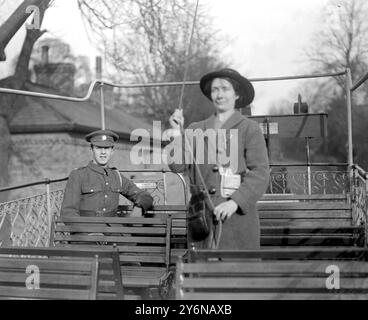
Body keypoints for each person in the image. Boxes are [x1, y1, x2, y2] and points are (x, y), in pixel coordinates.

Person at [167, 68, 270, 249]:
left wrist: (235, 202)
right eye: (215, 90)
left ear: (237, 94)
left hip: (238, 223)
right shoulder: (194, 129)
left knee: (235, 275)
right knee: (202, 275)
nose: (219, 94)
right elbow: (177, 166)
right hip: (202, 224)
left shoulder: (249, 129)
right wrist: (176, 133)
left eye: (225, 88)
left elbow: (260, 173)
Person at [60, 129, 153, 218]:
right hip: (87, 230)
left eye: (107, 148)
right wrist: (89, 233)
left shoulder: (116, 176)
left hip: (112, 229)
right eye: (99, 148)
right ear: (91, 150)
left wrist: (138, 208)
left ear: (112, 151)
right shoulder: (78, 175)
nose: (103, 152)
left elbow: (144, 195)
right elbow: (68, 213)